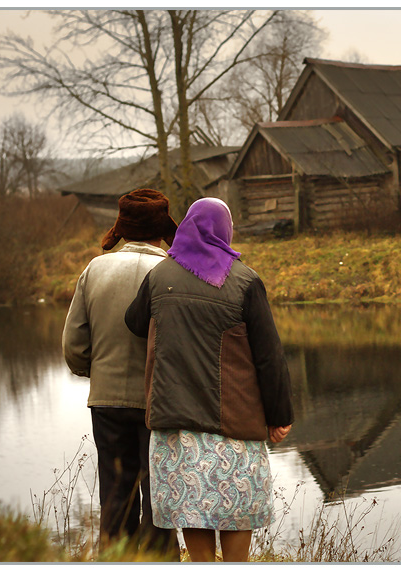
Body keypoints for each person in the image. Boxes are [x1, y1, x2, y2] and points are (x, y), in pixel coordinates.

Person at [124, 197, 294, 562]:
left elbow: (135, 323)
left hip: (176, 427)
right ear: (225, 230)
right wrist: (279, 415)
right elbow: (269, 357)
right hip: (234, 426)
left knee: (191, 513)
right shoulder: (245, 281)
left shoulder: (159, 277)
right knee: (236, 519)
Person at [62, 188, 180, 558]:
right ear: (162, 229)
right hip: (160, 405)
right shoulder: (175, 272)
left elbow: (74, 345)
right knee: (159, 497)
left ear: (123, 228)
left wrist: (95, 373)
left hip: (107, 401)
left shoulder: (94, 269)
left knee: (115, 494)